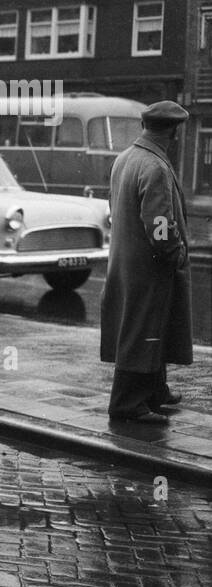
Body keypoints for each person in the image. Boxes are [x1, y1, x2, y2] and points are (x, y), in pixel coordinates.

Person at [100, 100, 192, 425]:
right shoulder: (155, 166)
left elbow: (114, 206)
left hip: (126, 259)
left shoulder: (125, 158)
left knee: (150, 327)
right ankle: (127, 403)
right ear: (173, 132)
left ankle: (156, 392)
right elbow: (159, 224)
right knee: (143, 329)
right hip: (149, 265)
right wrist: (175, 251)